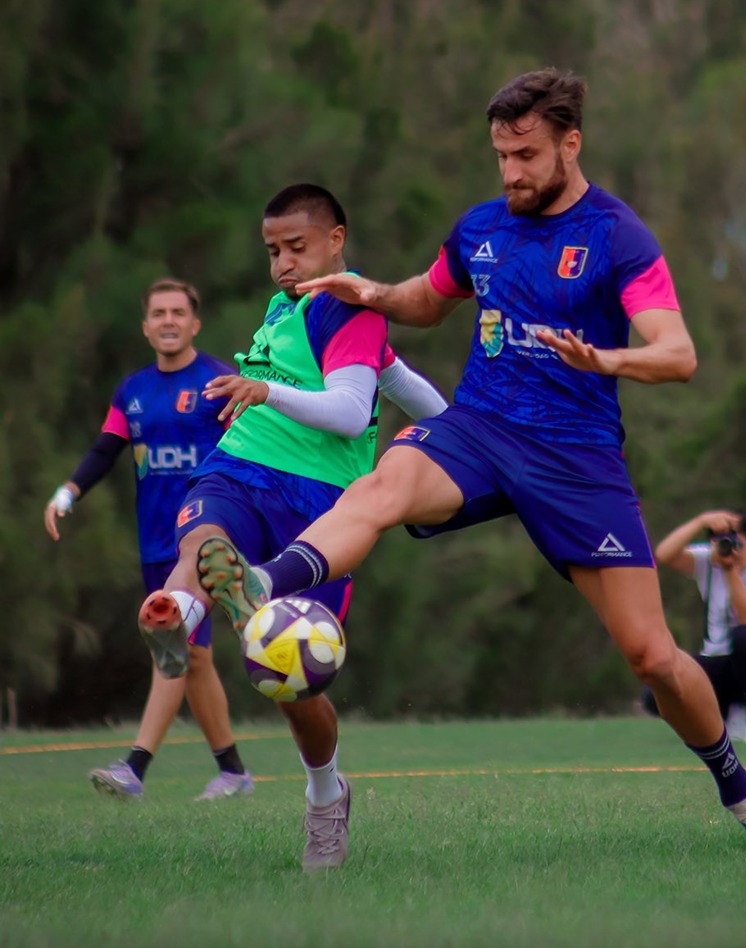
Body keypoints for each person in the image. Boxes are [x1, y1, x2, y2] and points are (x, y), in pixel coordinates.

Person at [198, 68, 746, 852]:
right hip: (480, 428)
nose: (512, 173)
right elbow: (429, 298)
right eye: (501, 156)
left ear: (570, 143)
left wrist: (607, 362)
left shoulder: (618, 236)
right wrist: (373, 292)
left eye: (526, 155)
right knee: (382, 484)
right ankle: (263, 583)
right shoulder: (484, 225)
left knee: (652, 656)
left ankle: (742, 791)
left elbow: (679, 354)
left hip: (577, 458)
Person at [137, 183, 448, 870]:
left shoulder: (350, 309)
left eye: (296, 248)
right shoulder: (289, 308)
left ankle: (325, 794)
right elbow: (399, 384)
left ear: (337, 240)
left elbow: (349, 409)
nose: (282, 263)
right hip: (244, 463)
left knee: (294, 685)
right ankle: (176, 612)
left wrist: (457, 437)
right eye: (273, 250)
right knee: (202, 536)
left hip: (320, 507)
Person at [44, 278, 254, 801]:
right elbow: (104, 450)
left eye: (178, 312)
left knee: (172, 642)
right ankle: (232, 771)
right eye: (158, 313)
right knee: (193, 658)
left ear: (195, 324)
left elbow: (255, 447)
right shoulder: (132, 391)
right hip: (153, 543)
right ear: (145, 326)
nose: (168, 321)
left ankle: (134, 767)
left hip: (202, 540)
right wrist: (66, 494)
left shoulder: (219, 381)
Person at [642, 509, 746, 744]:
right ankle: (722, 715)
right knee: (657, 693)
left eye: (737, 541)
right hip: (721, 659)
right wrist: (700, 520)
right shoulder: (708, 559)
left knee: (744, 636)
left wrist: (729, 570)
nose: (730, 548)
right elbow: (663, 555)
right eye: (722, 542)